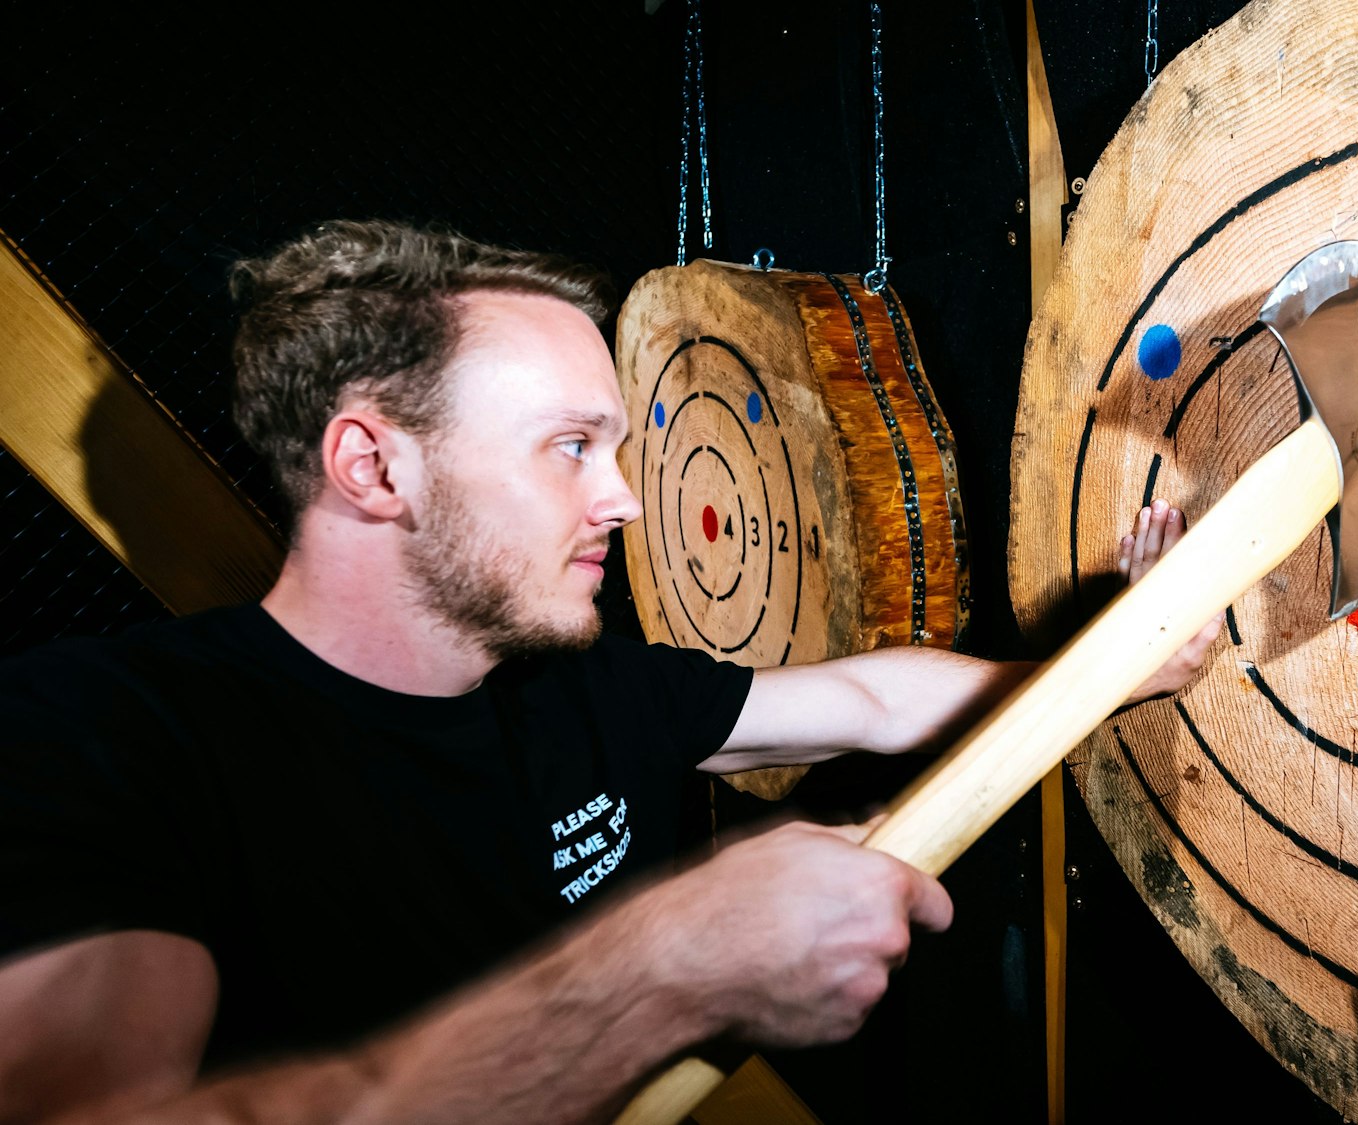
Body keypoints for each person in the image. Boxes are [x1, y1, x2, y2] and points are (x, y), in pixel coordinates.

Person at [0, 220, 1220, 1123]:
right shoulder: (108, 735)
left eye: (619, 447)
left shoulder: (580, 689)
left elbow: (864, 700)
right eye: (569, 447)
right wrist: (661, 966)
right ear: (373, 468)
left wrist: (1116, 662)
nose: (626, 500)